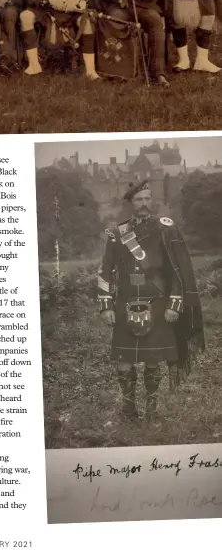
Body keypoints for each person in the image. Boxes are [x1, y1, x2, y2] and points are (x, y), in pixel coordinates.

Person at [98, 179, 204, 420]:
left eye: (147, 198)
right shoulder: (117, 233)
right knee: (124, 361)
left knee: (153, 361)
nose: (144, 203)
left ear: (152, 200)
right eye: (138, 199)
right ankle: (128, 407)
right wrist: (105, 306)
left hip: (157, 303)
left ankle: (152, 408)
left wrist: (175, 304)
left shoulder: (166, 229)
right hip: (124, 304)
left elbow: (177, 270)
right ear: (130, 203)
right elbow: (105, 271)